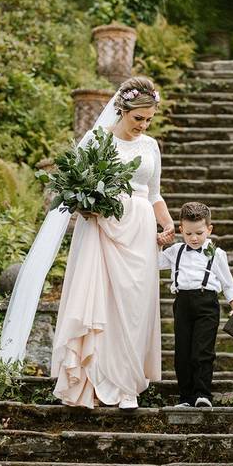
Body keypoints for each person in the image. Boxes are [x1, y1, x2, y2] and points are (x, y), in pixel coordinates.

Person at [46, 76, 174, 410]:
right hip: (102, 231)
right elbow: (76, 188)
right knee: (98, 305)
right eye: (138, 119)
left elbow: (155, 194)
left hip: (140, 234)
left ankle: (126, 384)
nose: (143, 126)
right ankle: (91, 381)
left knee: (133, 309)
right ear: (122, 111)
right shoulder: (96, 140)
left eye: (149, 120)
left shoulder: (151, 146)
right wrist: (86, 207)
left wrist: (168, 222)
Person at [158, 202, 233, 408]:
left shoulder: (217, 254)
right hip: (182, 304)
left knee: (202, 350)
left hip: (207, 303)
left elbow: (228, 284)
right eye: (188, 234)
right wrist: (160, 243)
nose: (194, 238)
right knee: (182, 352)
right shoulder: (175, 252)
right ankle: (186, 397)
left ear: (209, 229)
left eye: (199, 233)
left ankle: (202, 394)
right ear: (181, 230)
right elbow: (152, 263)